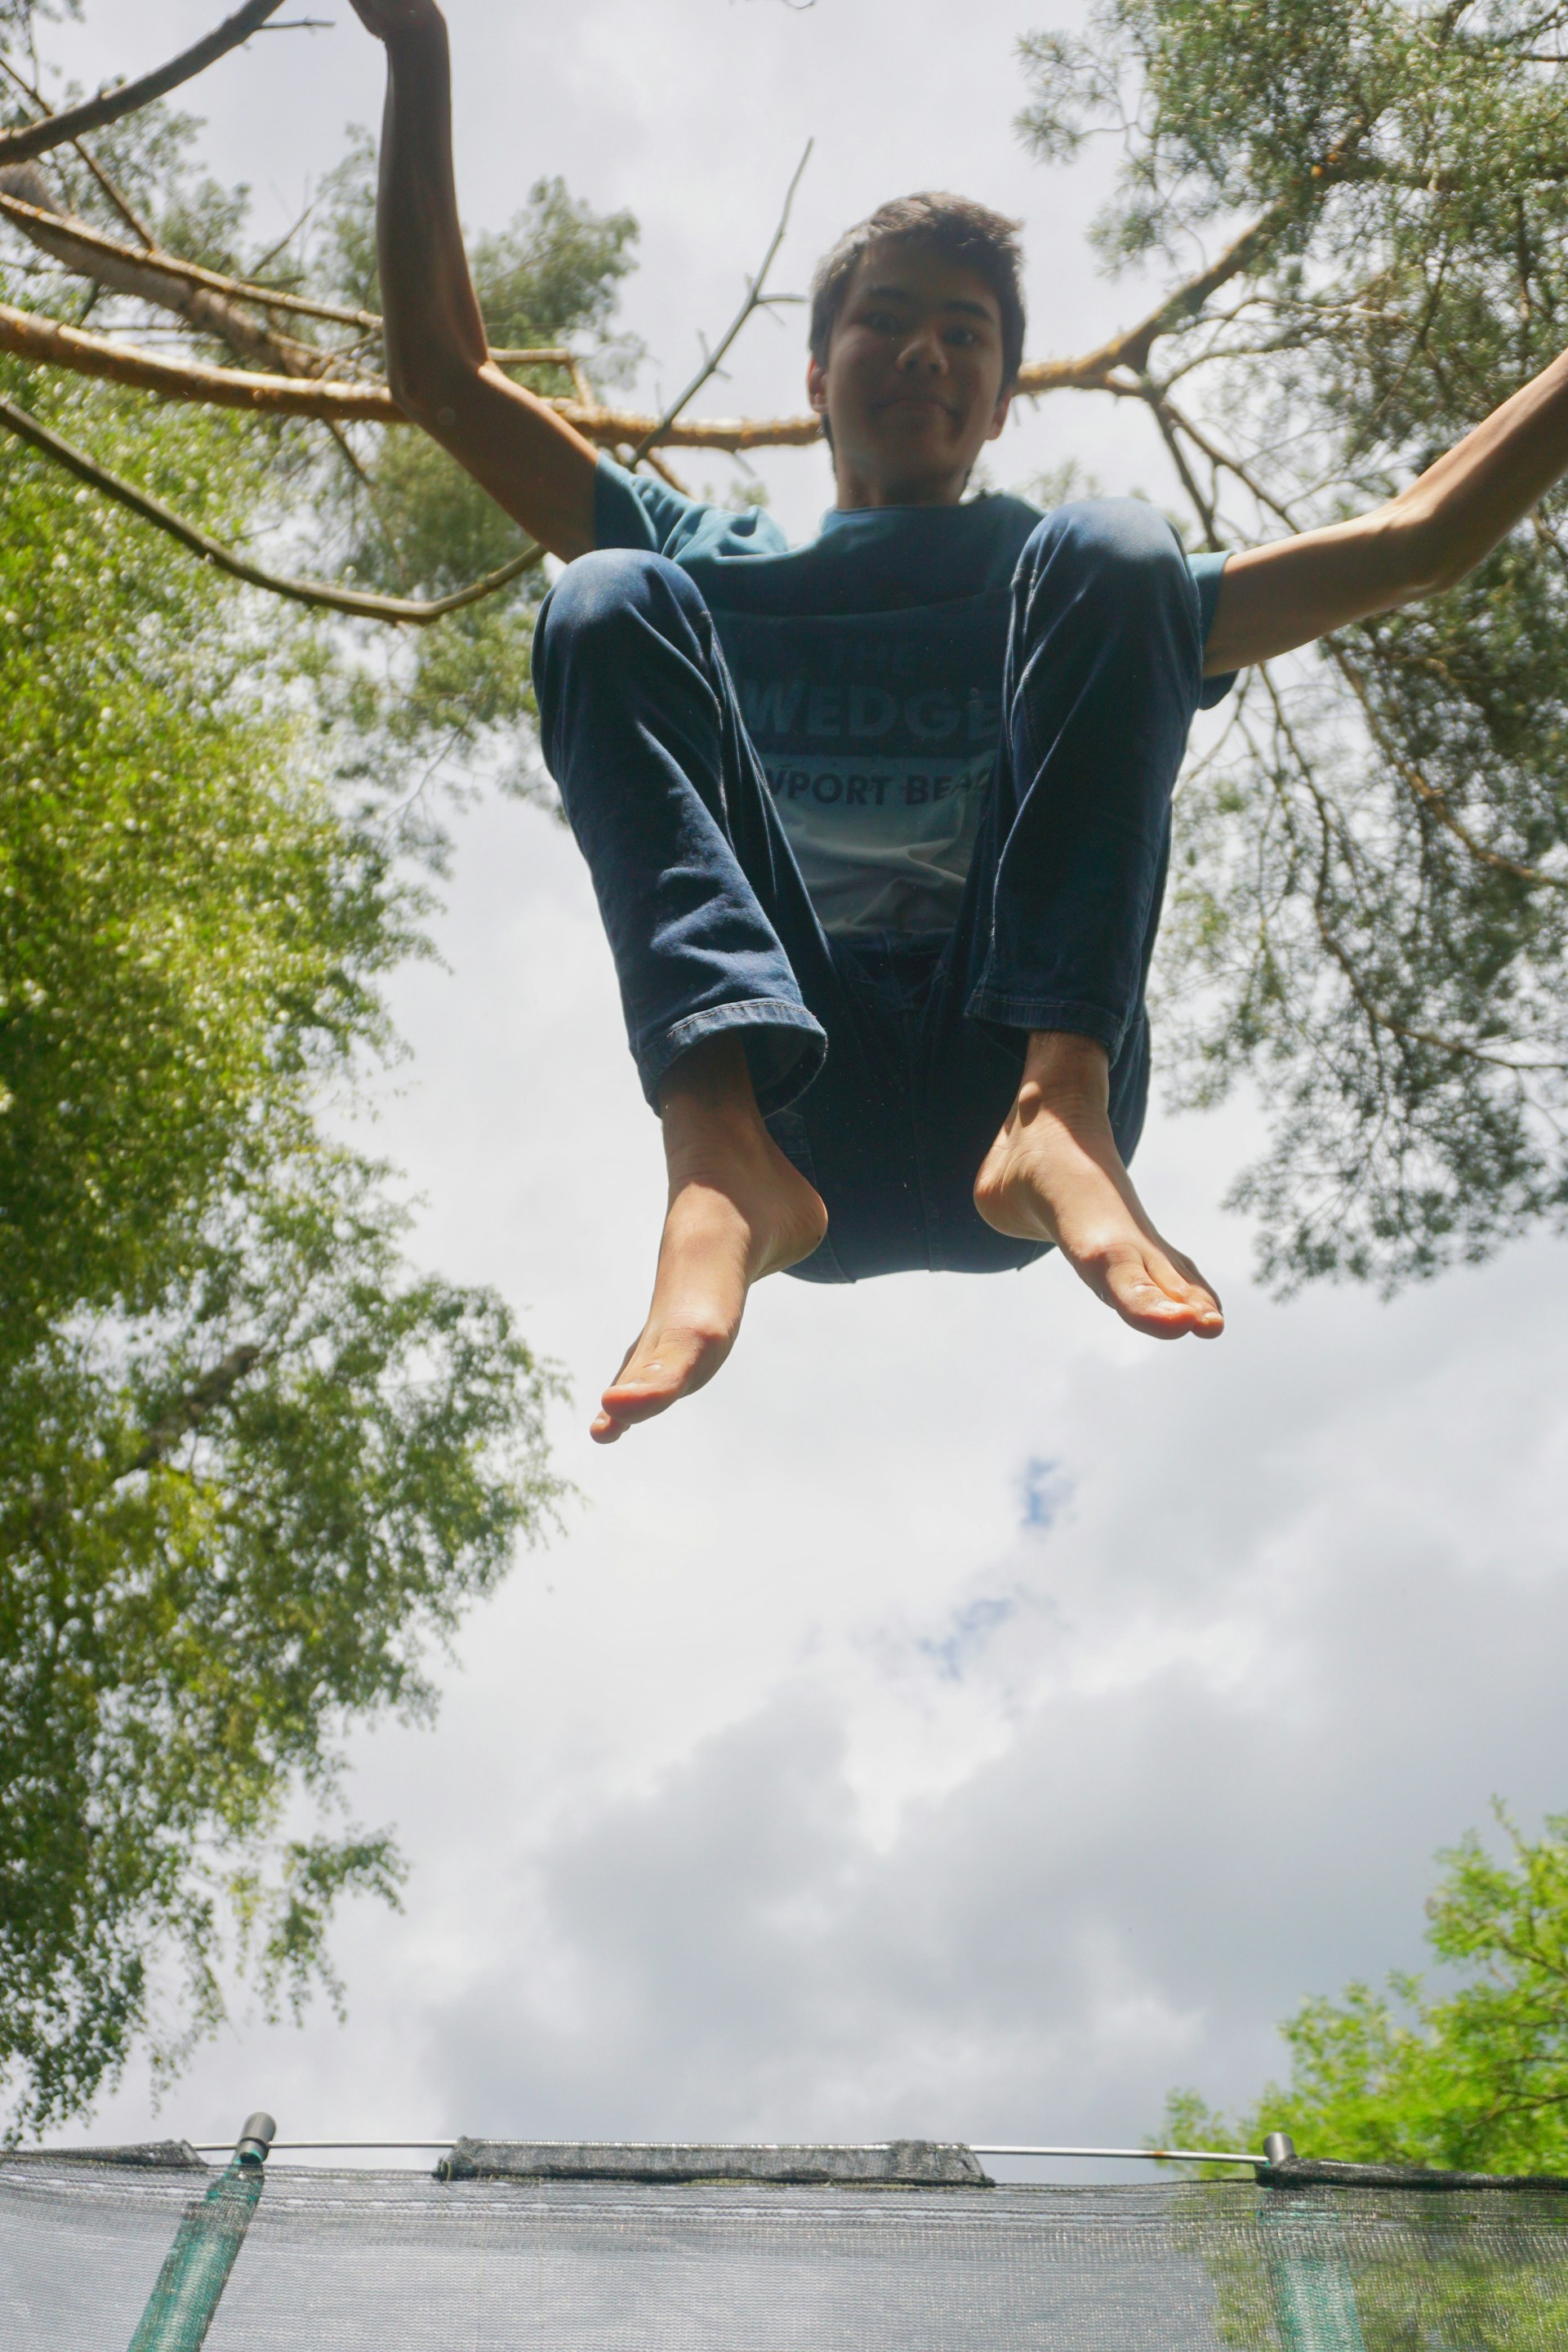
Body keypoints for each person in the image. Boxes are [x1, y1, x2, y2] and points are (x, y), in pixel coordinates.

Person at [350, 0, 1568, 1443]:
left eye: (965, 334)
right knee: (608, 594)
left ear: (997, 404)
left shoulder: (1069, 591)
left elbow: (1418, 541)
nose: (925, 349)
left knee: (1115, 544)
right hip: (792, 1093)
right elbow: (440, 380)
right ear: (817, 378)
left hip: (1014, 1071)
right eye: (887, 319)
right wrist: (417, 47)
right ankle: (712, 1154)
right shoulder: (710, 562)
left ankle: (1066, 1104)